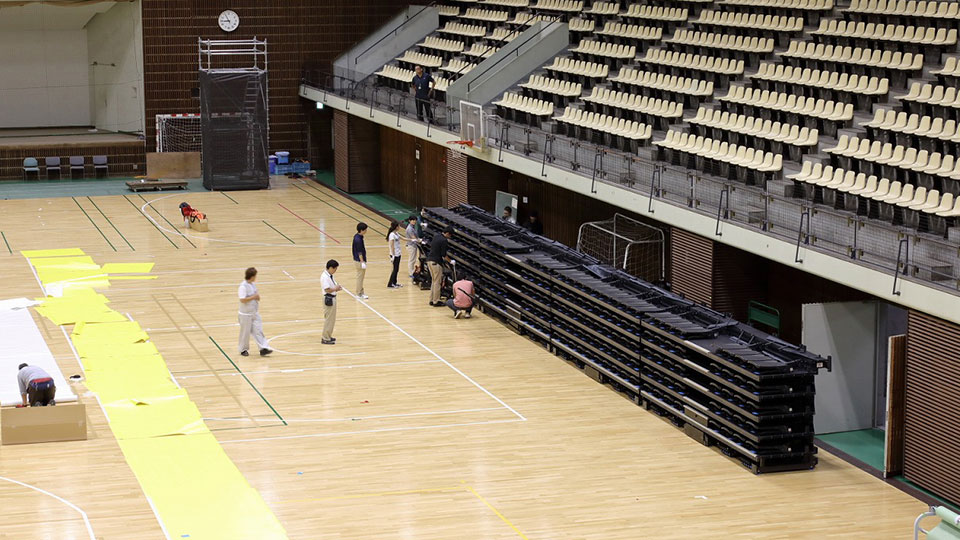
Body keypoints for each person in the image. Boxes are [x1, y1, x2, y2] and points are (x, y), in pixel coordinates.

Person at [238, 267, 272, 357]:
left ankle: (263, 348)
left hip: (254, 313)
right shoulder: (243, 286)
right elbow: (242, 300)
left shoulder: (253, 284)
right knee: (245, 333)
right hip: (245, 314)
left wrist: (257, 297)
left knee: (258, 330)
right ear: (251, 276)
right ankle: (243, 349)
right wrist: (253, 297)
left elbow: (256, 295)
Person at [426, 226, 453, 306]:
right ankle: (436, 301)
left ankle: (431, 299)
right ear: (448, 233)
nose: (450, 237)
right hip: (436, 262)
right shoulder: (444, 240)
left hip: (429, 261)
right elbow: (443, 254)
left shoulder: (436, 236)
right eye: (450, 235)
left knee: (434, 281)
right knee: (437, 282)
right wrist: (451, 261)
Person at [321, 259, 342, 345]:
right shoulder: (324, 277)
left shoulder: (329, 275)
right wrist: (335, 289)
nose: (335, 271)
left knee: (331, 319)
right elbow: (327, 289)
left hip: (332, 297)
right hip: (328, 298)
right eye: (335, 269)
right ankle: (325, 337)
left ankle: (328, 335)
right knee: (329, 319)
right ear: (330, 268)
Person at [353, 222, 369, 300]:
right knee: (360, 277)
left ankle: (361, 292)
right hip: (359, 261)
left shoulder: (357, 236)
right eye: (365, 230)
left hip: (357, 260)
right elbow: (360, 252)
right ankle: (359, 293)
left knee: (360, 277)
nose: (366, 231)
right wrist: (362, 262)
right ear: (362, 230)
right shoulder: (358, 239)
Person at [386, 220, 403, 288]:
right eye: (398, 226)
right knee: (395, 269)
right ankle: (390, 284)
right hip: (394, 254)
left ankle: (395, 282)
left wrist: (412, 240)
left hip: (398, 253)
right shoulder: (392, 235)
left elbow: (403, 238)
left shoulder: (396, 233)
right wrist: (392, 255)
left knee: (397, 269)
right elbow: (392, 246)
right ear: (396, 227)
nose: (399, 227)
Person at [405, 214, 421, 279]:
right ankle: (411, 273)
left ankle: (412, 271)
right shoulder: (409, 229)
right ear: (409, 221)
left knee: (413, 259)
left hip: (414, 246)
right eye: (413, 220)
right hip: (411, 246)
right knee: (411, 260)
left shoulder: (413, 227)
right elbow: (413, 238)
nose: (414, 221)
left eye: (415, 220)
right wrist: (419, 241)